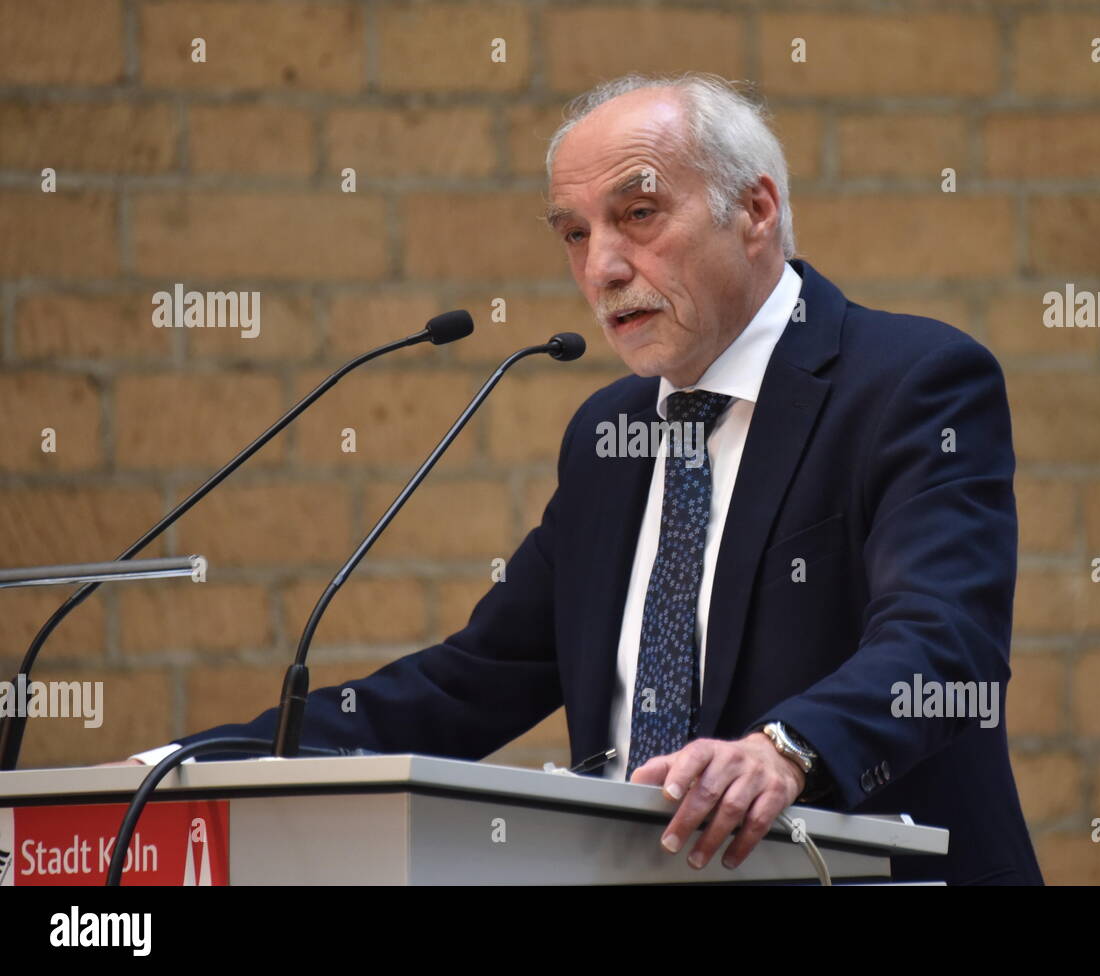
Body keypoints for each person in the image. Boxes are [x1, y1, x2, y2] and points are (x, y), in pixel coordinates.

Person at [126, 72, 1042, 884]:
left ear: (755, 209)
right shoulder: (610, 432)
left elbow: (942, 643)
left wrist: (785, 749)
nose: (602, 268)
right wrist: (197, 763)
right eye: (574, 233)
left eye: (639, 215)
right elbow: (470, 683)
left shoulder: (911, 381)